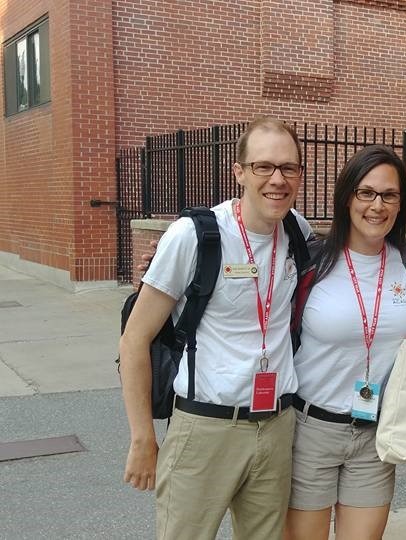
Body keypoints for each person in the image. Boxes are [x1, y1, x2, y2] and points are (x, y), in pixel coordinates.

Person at [119, 117, 313, 539]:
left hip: (276, 424)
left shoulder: (298, 230)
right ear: (239, 171)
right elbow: (135, 337)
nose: (277, 179)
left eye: (289, 168)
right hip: (205, 427)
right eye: (263, 167)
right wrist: (141, 437)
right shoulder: (195, 235)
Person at [284, 144, 406, 540]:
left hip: (375, 434)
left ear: (400, 204)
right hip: (309, 429)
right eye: (366, 192)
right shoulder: (310, 261)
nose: (377, 205)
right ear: (347, 197)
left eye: (389, 195)